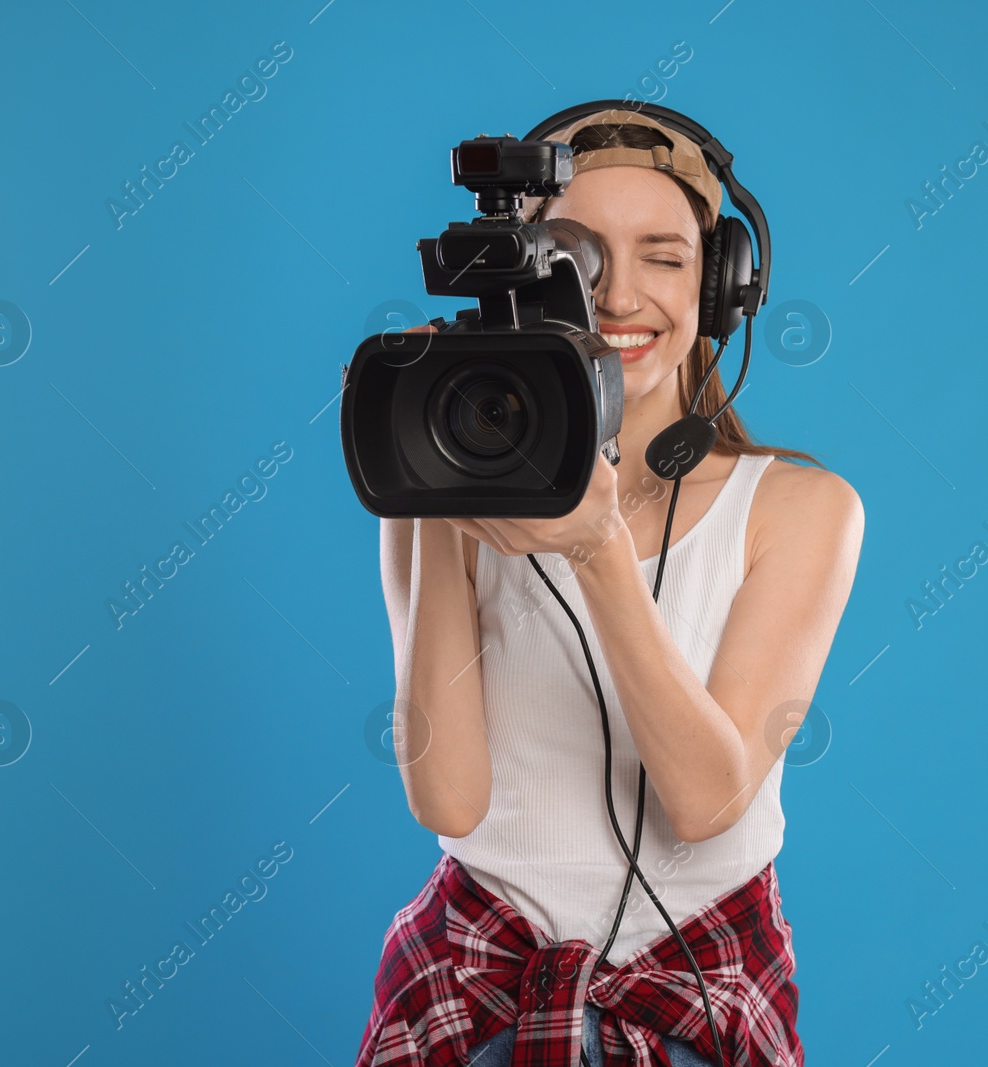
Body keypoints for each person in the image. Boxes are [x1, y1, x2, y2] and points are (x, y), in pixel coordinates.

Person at [357, 108, 865, 1067]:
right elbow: (448, 799)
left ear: (720, 289)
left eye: (665, 258)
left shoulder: (802, 509)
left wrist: (597, 555)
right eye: (576, 261)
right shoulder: (441, 499)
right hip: (475, 990)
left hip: (697, 999)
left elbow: (706, 800)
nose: (619, 297)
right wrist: (431, 475)